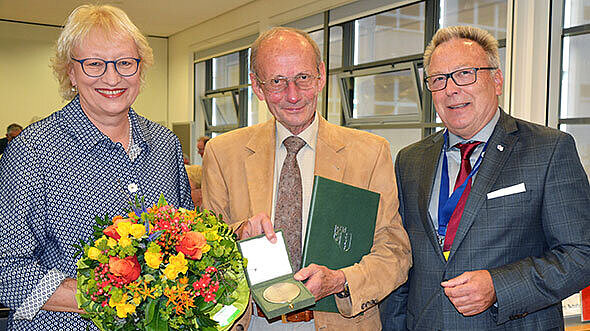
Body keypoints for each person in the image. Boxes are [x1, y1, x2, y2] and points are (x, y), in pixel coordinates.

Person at [379, 25, 590, 330]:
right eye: (438, 79)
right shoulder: (411, 160)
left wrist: (498, 287)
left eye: (465, 73)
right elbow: (402, 263)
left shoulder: (548, 149)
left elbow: (581, 254)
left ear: (497, 79)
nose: (451, 89)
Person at [202, 27, 411, 330]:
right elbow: (204, 247)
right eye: (277, 82)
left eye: (302, 78)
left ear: (321, 76)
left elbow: (395, 252)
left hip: (339, 317)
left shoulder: (370, 153)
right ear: (258, 88)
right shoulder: (223, 153)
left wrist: (340, 281)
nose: (293, 95)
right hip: (252, 321)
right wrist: (239, 233)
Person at [0, 5, 193, 330]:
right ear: (70, 72)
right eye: (94, 64)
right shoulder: (33, 151)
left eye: (125, 63)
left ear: (140, 68)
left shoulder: (165, 144)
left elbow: (186, 240)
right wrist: (110, 297)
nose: (112, 77)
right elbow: (7, 271)